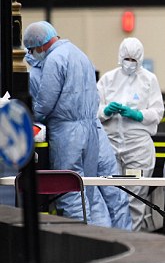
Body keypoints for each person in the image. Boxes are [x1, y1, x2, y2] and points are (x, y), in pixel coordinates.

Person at [26, 51, 132, 229]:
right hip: (90, 130)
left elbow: (43, 107)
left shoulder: (45, 71)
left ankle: (95, 242)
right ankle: (116, 239)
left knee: (81, 193)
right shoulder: (78, 60)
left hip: (73, 134)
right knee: (97, 192)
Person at [23, 21, 104, 225]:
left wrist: (29, 116)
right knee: (89, 193)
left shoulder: (54, 59)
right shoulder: (79, 54)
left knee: (70, 193)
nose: (32, 54)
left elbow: (45, 102)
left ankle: (80, 243)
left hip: (68, 134)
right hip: (90, 131)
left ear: (39, 44)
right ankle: (100, 241)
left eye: (32, 49)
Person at [97, 37, 165, 232]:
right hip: (110, 147)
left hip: (138, 150)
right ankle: (113, 238)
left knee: (135, 197)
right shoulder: (108, 80)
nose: (129, 63)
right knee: (112, 194)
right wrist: (105, 111)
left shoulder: (149, 80)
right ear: (120, 57)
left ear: (140, 59)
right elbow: (92, 110)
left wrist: (137, 114)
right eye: (126, 59)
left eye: (134, 60)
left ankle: (132, 238)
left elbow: (157, 112)